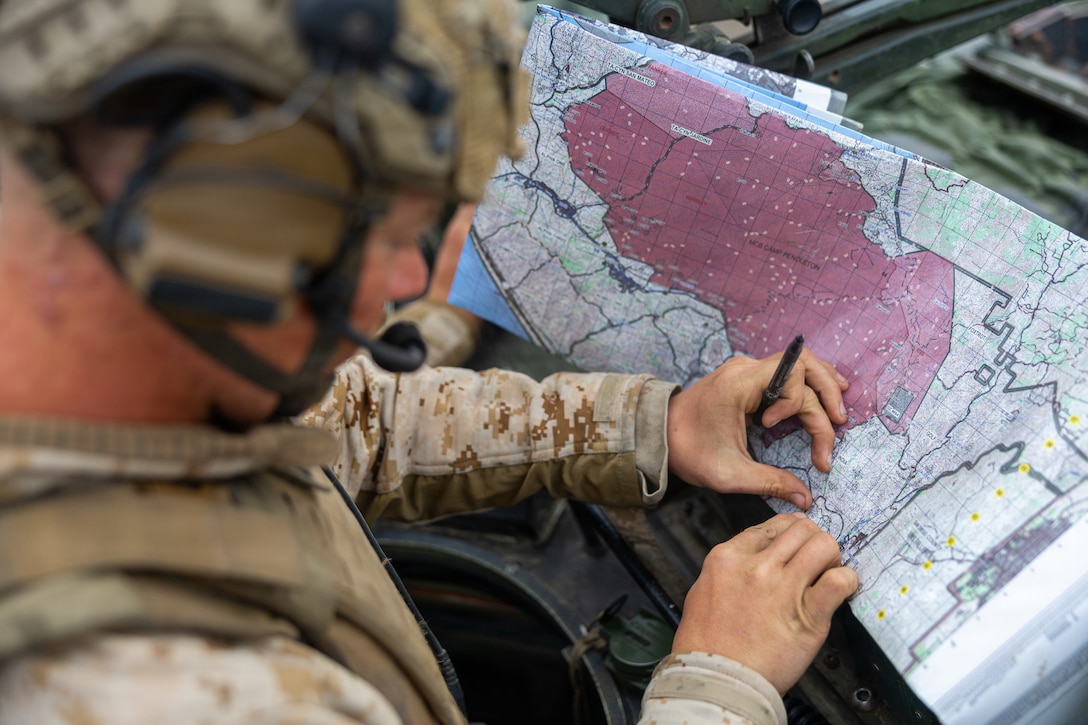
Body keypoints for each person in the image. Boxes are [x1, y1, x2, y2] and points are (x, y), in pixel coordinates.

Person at [0, 1, 858, 724]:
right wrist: (717, 686)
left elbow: (346, 426)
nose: (410, 282)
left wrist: (655, 423)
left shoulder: (140, 368)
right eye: (388, 237)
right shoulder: (151, 687)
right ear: (226, 257)